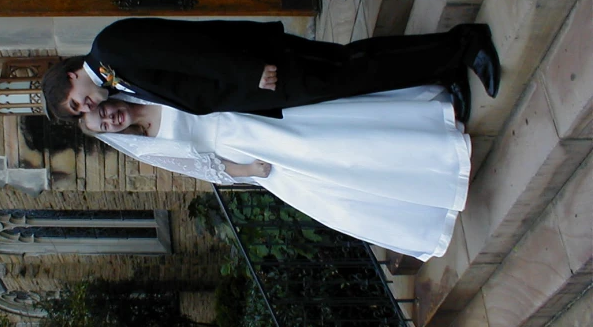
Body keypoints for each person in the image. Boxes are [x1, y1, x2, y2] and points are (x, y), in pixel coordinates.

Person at [80, 87, 472, 261]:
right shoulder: (151, 146)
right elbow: (205, 166)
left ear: (107, 101)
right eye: (106, 127)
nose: (112, 120)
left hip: (249, 111)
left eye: (105, 113)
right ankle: (435, 172)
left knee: (339, 125)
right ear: (111, 136)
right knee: (334, 164)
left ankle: (429, 128)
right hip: (247, 145)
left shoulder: (144, 91)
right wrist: (248, 170)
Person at [41, 18, 501, 124]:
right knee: (352, 81)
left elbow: (188, 50)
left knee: (353, 65)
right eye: (79, 112)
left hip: (261, 67)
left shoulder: (110, 47)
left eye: (76, 101)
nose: (87, 107)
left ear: (69, 77)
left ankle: (465, 43)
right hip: (257, 90)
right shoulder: (109, 74)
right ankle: (442, 69)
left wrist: (248, 71)